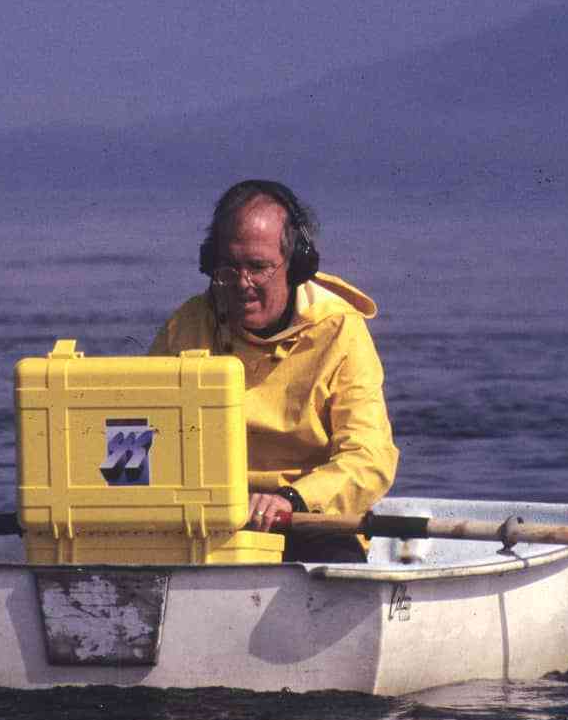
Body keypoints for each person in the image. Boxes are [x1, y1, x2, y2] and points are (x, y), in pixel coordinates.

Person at [148, 180, 398, 562]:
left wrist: (292, 499)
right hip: (207, 519)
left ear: (297, 265)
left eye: (258, 268)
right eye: (229, 268)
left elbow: (370, 457)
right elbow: (144, 429)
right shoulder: (187, 325)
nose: (242, 284)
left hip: (307, 519)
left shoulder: (340, 329)